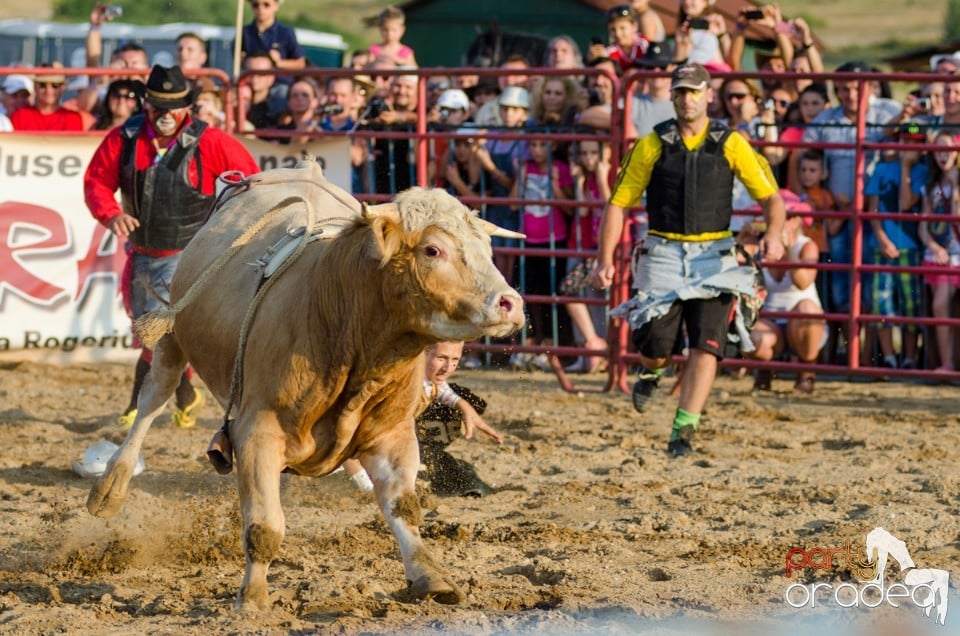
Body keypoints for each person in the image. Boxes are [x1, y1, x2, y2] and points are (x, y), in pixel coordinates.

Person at [591, 62, 786, 457]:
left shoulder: (731, 143)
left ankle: (684, 428)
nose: (687, 98)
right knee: (657, 339)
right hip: (663, 251)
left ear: (708, 95)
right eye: (680, 91)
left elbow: (771, 197)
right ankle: (652, 367)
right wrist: (603, 259)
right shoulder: (652, 143)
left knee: (707, 342)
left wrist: (776, 233)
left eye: (694, 91)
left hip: (716, 255)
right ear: (672, 96)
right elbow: (618, 203)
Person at [83, 65, 260, 428]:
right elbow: (96, 181)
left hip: (190, 256)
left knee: (162, 332)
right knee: (152, 330)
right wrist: (111, 213)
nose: (165, 115)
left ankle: (140, 405)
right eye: (158, 107)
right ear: (146, 105)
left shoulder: (211, 142)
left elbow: (249, 181)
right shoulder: (124, 138)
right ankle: (185, 396)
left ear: (187, 109)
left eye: (172, 108)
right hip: (142, 253)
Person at [343, 341, 502, 496]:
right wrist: (366, 487)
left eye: (455, 360)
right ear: (422, 354)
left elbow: (442, 390)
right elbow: (346, 437)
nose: (448, 368)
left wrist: (465, 407)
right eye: (441, 358)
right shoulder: (395, 376)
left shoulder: (427, 378)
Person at [748, 215, 826, 393]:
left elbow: (803, 282)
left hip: (802, 321)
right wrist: (745, 240)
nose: (780, 222)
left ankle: (806, 372)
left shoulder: (806, 245)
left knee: (807, 309)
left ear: (798, 221)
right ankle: (764, 370)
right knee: (749, 332)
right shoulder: (759, 244)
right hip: (770, 321)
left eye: (788, 217)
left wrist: (788, 248)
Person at [863, 138, 921, 371]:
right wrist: (882, 238)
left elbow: (907, 203)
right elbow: (872, 208)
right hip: (882, 245)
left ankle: (909, 358)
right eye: (905, 141)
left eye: (914, 142)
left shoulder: (922, 170)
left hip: (910, 245)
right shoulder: (881, 169)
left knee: (911, 304)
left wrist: (906, 167)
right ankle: (889, 358)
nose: (908, 146)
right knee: (881, 302)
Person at [563, 139, 610, 373]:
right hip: (586, 246)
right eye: (584, 153)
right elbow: (582, 210)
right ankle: (590, 349)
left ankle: (596, 349)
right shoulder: (587, 177)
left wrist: (602, 178)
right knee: (574, 293)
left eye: (593, 152)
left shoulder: (612, 175)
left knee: (595, 300)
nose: (588, 158)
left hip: (601, 248)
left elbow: (610, 206)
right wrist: (580, 182)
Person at [919, 131, 960, 373]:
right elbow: (923, 226)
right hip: (940, 255)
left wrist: (955, 185)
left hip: (958, 253)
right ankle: (947, 364)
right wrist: (934, 247)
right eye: (938, 150)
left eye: (948, 149)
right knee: (939, 305)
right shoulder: (931, 186)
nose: (942, 155)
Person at [241, 0, 306, 76]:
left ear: (276, 6)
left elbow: (300, 64)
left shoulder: (286, 32)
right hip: (252, 81)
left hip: (279, 81)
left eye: (266, 4)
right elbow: (237, 61)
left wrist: (279, 63)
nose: (260, 9)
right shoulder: (244, 33)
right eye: (256, 5)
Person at [11, 64, 84, 131]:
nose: (48, 90)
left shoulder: (72, 118)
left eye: (55, 85)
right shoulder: (20, 116)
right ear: (35, 87)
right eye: (43, 85)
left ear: (62, 88)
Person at [603, 5, 650, 75]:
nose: (618, 34)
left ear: (634, 26)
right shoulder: (610, 52)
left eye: (622, 28)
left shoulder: (643, 44)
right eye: (613, 29)